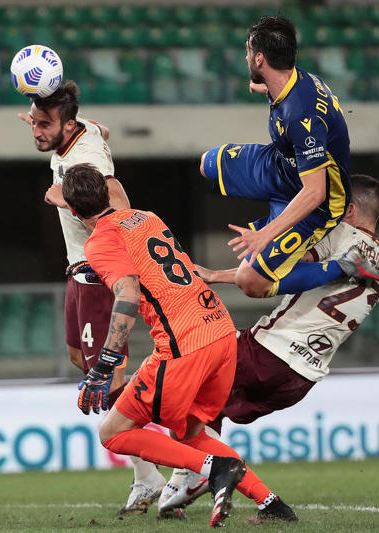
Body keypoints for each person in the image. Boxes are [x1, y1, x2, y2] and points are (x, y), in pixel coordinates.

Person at [62, 163, 294, 528]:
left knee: (113, 432)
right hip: (220, 331)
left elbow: (127, 293)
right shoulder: (146, 217)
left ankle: (215, 469)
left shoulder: (99, 242)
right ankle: (272, 504)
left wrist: (106, 364)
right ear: (108, 195)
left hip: (185, 344)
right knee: (190, 432)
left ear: (73, 211)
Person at [158, 174, 379, 522]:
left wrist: (239, 265)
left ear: (351, 209)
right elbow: (303, 277)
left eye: (338, 205)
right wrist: (219, 276)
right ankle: (210, 484)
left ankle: (195, 474)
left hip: (269, 351)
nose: (331, 210)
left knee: (184, 381)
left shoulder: (339, 234)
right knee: (207, 402)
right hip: (301, 378)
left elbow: (278, 271)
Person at [19, 82, 164, 514]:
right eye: (34, 122)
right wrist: (55, 119)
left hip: (99, 272)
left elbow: (119, 203)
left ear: (66, 125)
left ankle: (151, 475)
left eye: (44, 125)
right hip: (77, 269)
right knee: (77, 356)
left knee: (108, 379)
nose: (35, 132)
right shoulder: (79, 135)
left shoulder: (86, 157)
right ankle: (157, 459)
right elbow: (101, 128)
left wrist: (66, 197)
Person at [200, 17, 379, 299]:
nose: (245, 56)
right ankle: (276, 237)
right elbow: (289, 102)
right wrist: (262, 88)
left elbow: (315, 191)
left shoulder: (301, 114)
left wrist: (266, 235)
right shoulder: (294, 80)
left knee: (252, 283)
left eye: (248, 51)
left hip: (317, 202)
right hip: (280, 165)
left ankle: (349, 266)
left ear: (260, 59)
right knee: (207, 164)